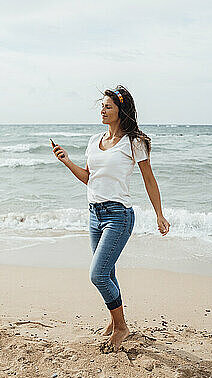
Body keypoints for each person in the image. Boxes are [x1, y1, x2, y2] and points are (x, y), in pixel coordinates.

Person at [51, 85, 170, 352]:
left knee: (98, 274)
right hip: (95, 214)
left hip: (119, 215)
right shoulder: (94, 141)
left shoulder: (134, 142)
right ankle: (116, 322)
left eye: (108, 107)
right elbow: (88, 178)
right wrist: (67, 161)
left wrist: (159, 215)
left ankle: (121, 327)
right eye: (102, 106)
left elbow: (149, 180)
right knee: (109, 272)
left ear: (120, 111)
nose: (102, 110)